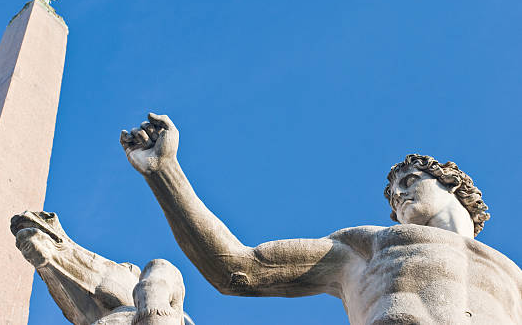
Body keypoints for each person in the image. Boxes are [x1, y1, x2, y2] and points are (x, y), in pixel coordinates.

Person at [120, 113, 521, 324]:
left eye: (410, 180)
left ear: (451, 183)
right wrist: (164, 171)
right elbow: (236, 269)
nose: (397, 194)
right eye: (392, 192)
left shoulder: (514, 278)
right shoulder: (372, 246)